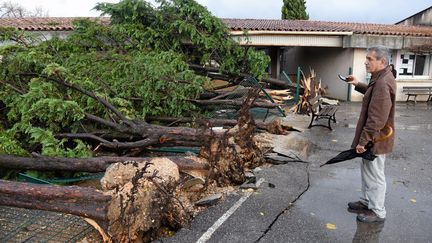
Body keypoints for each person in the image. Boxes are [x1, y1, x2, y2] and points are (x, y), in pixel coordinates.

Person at [346, 46, 396, 223]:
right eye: (366, 58)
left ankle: (378, 211)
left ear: (382, 62)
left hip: (376, 138)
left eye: (369, 59)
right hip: (374, 138)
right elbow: (372, 93)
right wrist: (357, 84)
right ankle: (368, 202)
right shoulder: (381, 78)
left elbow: (376, 118)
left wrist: (363, 141)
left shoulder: (382, 82)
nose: (365, 62)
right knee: (368, 170)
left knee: (375, 174)